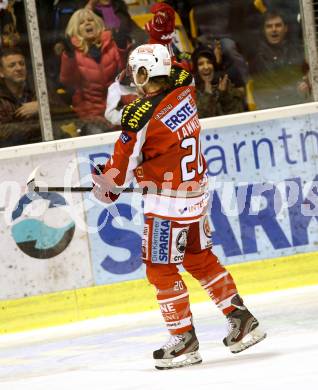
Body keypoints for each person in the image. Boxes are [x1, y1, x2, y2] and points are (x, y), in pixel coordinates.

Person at [92, 43, 266, 370]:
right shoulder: (185, 90)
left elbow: (119, 171)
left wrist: (106, 185)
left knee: (160, 269)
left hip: (167, 205)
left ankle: (183, 338)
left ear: (145, 73)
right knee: (199, 258)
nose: (133, 76)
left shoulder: (140, 115)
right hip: (196, 195)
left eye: (136, 70)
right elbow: (180, 71)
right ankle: (241, 319)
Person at [59, 8, 125, 133]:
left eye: (91, 20)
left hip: (117, 109)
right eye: (82, 23)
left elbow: (124, 72)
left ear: (98, 24)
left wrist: (123, 48)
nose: (88, 23)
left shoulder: (112, 45)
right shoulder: (72, 53)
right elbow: (68, 81)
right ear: (75, 29)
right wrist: (69, 58)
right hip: (90, 116)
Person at [249, 10, 306, 109]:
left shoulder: (298, 51)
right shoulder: (257, 59)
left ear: (286, 29)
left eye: (278, 25)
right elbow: (266, 93)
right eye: (269, 26)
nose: (274, 29)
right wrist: (296, 89)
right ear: (264, 30)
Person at [0, 47, 41, 147]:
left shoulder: (39, 86)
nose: (19, 68)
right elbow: (3, 132)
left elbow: (64, 111)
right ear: (1, 72)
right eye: (12, 65)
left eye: (22, 64)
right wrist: (40, 126)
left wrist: (41, 106)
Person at [192, 45, 246, 118]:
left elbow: (237, 114)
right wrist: (208, 93)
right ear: (196, 69)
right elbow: (201, 120)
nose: (206, 67)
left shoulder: (225, 83)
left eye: (209, 62)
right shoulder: (192, 92)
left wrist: (224, 95)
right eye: (200, 64)